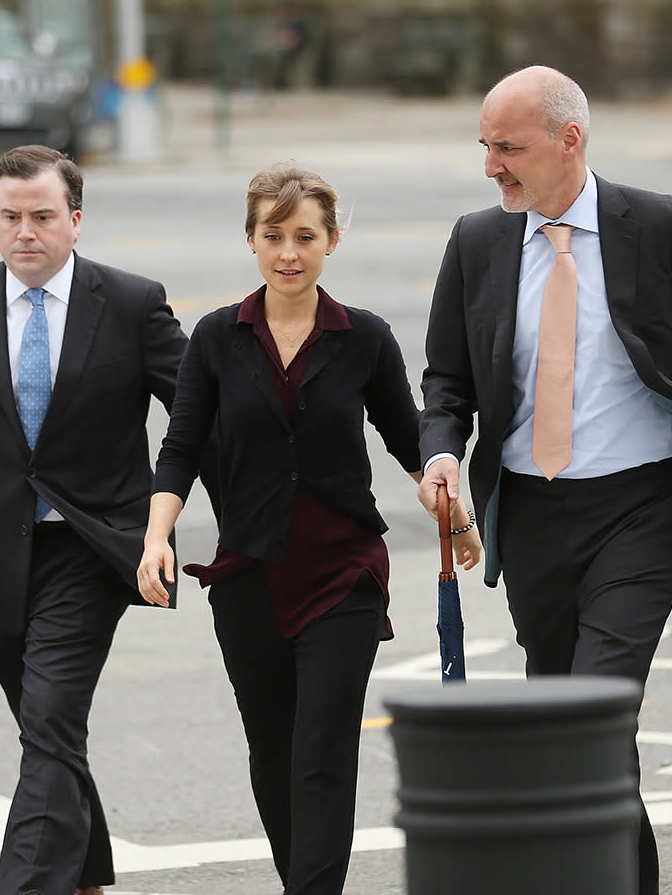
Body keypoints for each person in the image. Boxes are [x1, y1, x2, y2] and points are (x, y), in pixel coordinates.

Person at [416, 66, 672, 894]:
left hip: (638, 510)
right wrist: (442, 452)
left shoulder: (658, 225)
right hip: (530, 518)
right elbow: (445, 382)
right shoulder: (476, 242)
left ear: (570, 140)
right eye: (485, 147)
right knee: (572, 737)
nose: (492, 167)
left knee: (591, 720)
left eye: (508, 148)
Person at [138, 165, 481, 895]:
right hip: (247, 574)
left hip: (343, 574)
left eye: (304, 236)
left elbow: (411, 437)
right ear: (252, 240)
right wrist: (157, 536)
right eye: (273, 236)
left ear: (331, 241)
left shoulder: (364, 339)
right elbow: (181, 448)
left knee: (322, 752)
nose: (288, 252)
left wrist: (449, 501)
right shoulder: (214, 339)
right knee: (273, 750)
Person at [0, 144, 190, 895]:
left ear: (76, 221)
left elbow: (195, 418)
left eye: (42, 216)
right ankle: (86, 874)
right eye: (10, 216)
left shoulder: (129, 303)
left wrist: (170, 520)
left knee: (53, 713)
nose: (24, 231)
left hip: (93, 547)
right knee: (45, 725)